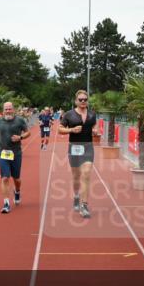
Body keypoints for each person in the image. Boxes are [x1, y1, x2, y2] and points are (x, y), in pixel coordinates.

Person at [58, 90, 101, 219]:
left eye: (85, 99)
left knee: (86, 174)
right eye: (80, 99)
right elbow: (60, 129)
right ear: (76, 101)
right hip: (74, 147)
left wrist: (95, 131)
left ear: (87, 101)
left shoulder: (92, 115)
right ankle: (76, 196)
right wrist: (71, 130)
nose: (83, 102)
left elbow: (95, 127)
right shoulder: (69, 115)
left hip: (88, 147)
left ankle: (84, 205)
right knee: (76, 177)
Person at [0, 101, 30, 214]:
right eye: (6, 109)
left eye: (9, 109)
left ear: (13, 109)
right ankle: (6, 203)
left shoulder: (19, 120)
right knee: (5, 178)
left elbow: (28, 133)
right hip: (3, 153)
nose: (8, 111)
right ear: (3, 110)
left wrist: (20, 137)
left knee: (16, 179)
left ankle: (17, 191)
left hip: (16, 153)